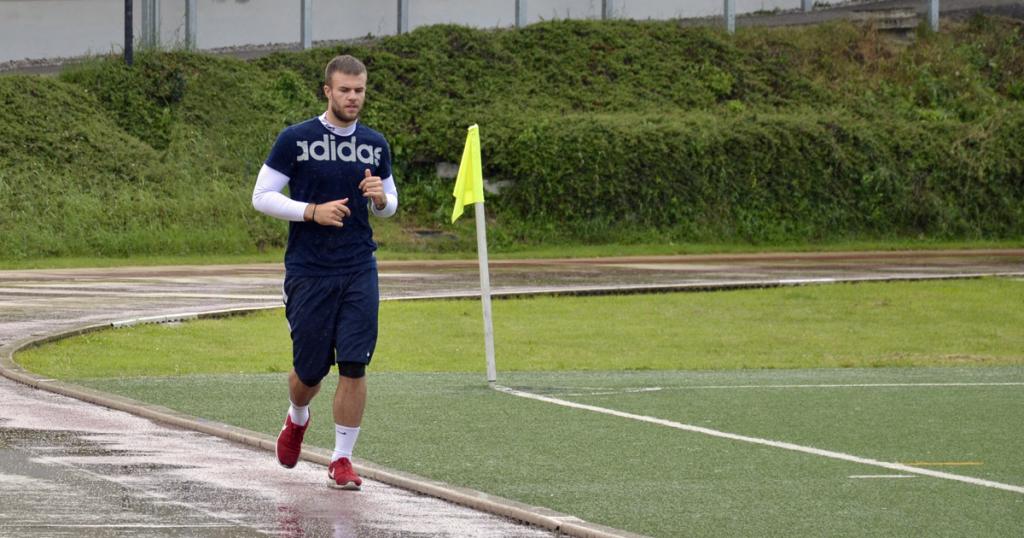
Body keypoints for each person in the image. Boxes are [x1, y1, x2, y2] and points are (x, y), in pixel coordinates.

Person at [252, 54, 398, 490]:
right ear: (327, 91)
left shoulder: (375, 143)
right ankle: (297, 419)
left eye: (360, 91)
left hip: (358, 265)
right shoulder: (296, 139)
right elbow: (262, 195)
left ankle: (342, 459)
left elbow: (390, 203)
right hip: (309, 270)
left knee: (354, 364)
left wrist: (380, 200)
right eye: (345, 90)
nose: (353, 98)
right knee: (310, 371)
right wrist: (311, 211)